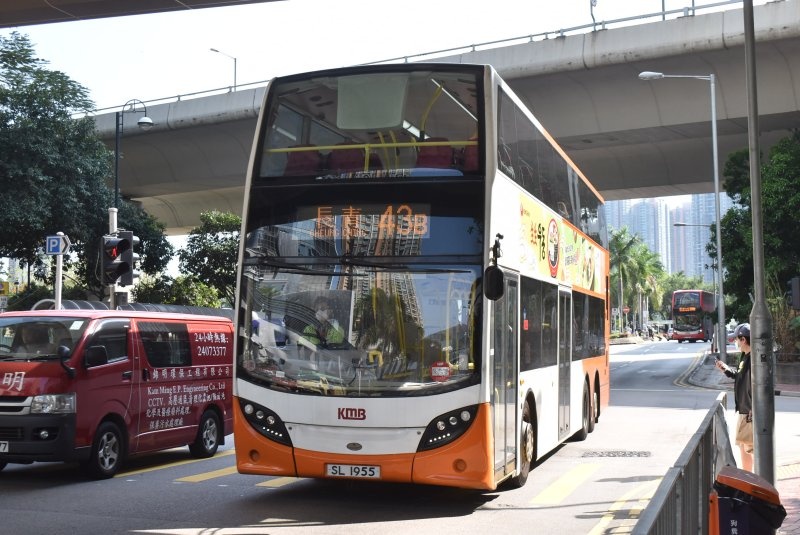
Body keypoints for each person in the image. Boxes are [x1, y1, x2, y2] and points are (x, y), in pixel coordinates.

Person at [715, 322, 754, 471]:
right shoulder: (745, 357)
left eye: (737, 339)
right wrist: (726, 369)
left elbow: (757, 384)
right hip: (744, 409)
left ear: (743, 339)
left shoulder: (753, 359)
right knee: (744, 445)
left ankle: (750, 478)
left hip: (749, 411)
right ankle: (748, 476)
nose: (735, 342)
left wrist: (753, 407)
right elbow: (739, 376)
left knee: (748, 447)